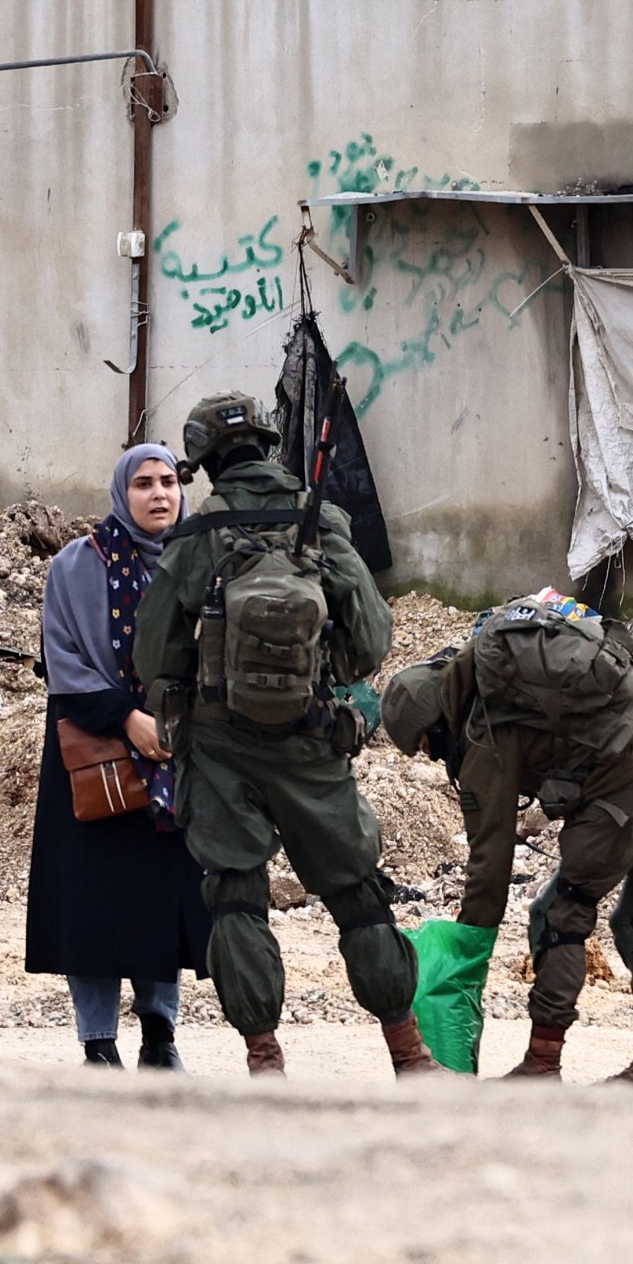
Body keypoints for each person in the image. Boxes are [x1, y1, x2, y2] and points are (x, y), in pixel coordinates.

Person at [132, 391, 432, 1078]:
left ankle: (265, 1061)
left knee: (236, 896)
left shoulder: (194, 533)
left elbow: (154, 658)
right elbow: (372, 638)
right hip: (312, 744)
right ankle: (408, 1054)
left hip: (218, 750)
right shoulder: (318, 521)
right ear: (268, 445)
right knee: (358, 894)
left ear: (203, 462)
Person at [381, 605, 633, 1083]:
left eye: (427, 746)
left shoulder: (481, 730)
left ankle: (542, 1063)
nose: (434, 758)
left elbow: (489, 863)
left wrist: (466, 951)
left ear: (434, 723)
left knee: (560, 911)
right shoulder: (507, 690)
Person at [26, 444, 212, 1070]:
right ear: (119, 492)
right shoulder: (74, 567)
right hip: (97, 754)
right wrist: (130, 720)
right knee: (94, 907)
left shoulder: (201, 563)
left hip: (177, 754)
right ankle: (97, 1043)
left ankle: (160, 1038)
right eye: (143, 484)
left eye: (169, 482)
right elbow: (64, 664)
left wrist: (177, 722)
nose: (160, 494)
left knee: (163, 903)